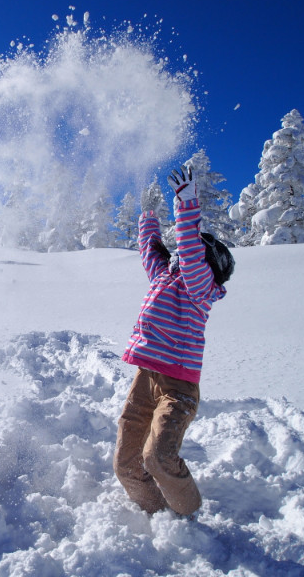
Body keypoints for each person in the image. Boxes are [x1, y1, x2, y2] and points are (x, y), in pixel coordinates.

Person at [113, 165, 234, 517]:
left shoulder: (200, 289)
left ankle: (188, 516)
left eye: (195, 254)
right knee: (127, 463)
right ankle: (155, 512)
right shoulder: (164, 276)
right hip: (145, 379)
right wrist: (148, 215)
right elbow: (150, 249)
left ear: (210, 265)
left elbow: (190, 249)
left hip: (178, 386)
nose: (183, 256)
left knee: (158, 457)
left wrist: (186, 204)